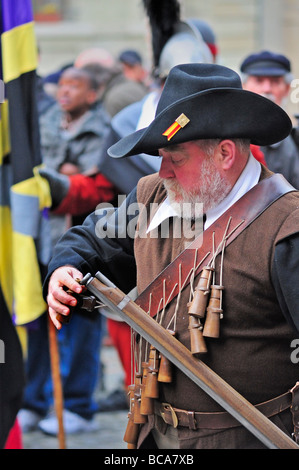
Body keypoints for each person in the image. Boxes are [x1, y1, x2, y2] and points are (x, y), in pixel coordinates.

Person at [44, 63, 299, 449]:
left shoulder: (288, 226)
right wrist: (65, 268)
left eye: (175, 158)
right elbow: (92, 241)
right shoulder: (151, 195)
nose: (162, 171)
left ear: (225, 154)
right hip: (153, 435)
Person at [18, 66, 116, 436]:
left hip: (84, 243)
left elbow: (91, 185)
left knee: (81, 328)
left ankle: (78, 405)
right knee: (40, 323)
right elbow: (41, 169)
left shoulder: (102, 129)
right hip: (42, 238)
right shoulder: (46, 121)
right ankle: (35, 399)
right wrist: (64, 173)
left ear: (92, 94)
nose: (65, 91)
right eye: (62, 85)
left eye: (75, 86)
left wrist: (61, 178)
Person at [240, 50, 299, 188]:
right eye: (259, 81)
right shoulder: (226, 133)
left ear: (286, 89)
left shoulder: (294, 144)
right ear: (243, 86)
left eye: (275, 82)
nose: (267, 89)